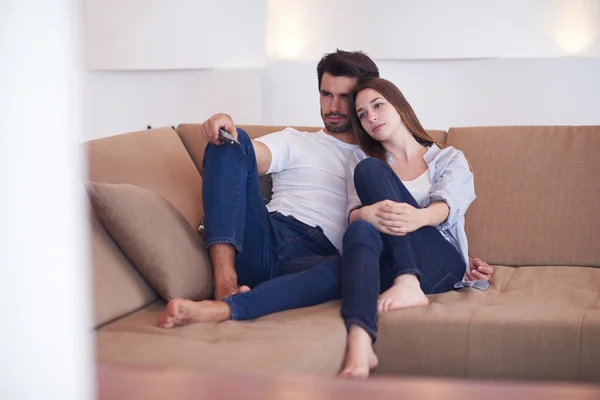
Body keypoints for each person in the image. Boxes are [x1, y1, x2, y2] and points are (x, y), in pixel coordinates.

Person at [157, 51, 493, 332]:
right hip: (266, 235)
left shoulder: (378, 161)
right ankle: (225, 283)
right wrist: (227, 126)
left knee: (349, 270)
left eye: (345, 98)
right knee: (229, 143)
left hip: (320, 257)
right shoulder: (297, 140)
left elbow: (421, 213)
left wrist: (465, 256)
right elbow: (250, 153)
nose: (333, 106)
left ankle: (229, 309)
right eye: (325, 93)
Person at [337, 77, 481, 378]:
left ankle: (408, 281)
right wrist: (368, 215)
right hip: (385, 261)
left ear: (399, 105)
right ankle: (360, 344)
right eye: (362, 114)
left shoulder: (448, 158)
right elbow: (352, 216)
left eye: (378, 105)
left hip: (438, 261)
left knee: (371, 171)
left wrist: (418, 217)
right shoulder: (361, 158)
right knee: (361, 225)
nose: (371, 117)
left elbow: (448, 206)